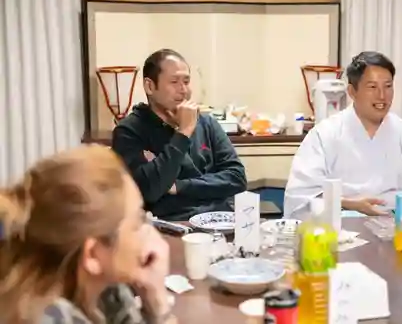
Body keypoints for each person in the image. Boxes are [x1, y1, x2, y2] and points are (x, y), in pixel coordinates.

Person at [0, 145, 176, 323]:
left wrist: (152, 294)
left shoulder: (99, 289)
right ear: (92, 255)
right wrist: (160, 304)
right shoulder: (47, 317)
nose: (148, 230)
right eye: (137, 221)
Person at [284, 51, 402, 218]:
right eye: (372, 87)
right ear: (352, 92)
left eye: (388, 86)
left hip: (397, 227)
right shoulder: (325, 134)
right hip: (340, 227)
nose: (382, 96)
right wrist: (347, 204)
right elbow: (299, 198)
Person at [112, 49, 247, 221]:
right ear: (150, 86)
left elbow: (237, 178)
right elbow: (149, 191)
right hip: (170, 225)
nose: (183, 90)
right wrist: (183, 132)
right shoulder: (129, 131)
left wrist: (179, 186)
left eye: (186, 81)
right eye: (174, 82)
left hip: (219, 220)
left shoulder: (207, 123)